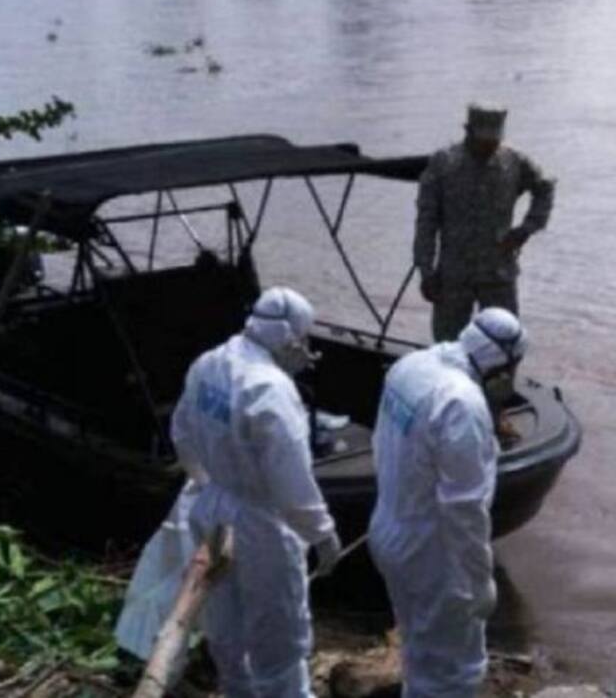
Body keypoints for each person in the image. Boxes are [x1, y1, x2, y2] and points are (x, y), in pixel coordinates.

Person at [171, 286, 342, 698]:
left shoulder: (209, 363)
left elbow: (182, 434)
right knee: (281, 639)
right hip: (262, 526)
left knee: (225, 628)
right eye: (304, 341)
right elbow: (293, 485)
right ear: (289, 338)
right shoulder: (272, 391)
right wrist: (323, 534)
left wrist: (206, 483)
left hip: (212, 508)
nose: (306, 351)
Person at [368, 307, 529, 698]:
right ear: (504, 367)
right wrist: (478, 581)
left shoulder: (411, 366)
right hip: (433, 556)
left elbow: (381, 445)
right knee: (456, 672)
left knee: (419, 649)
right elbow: (464, 510)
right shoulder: (462, 404)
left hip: (389, 530)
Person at [414, 104, 555, 343]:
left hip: (498, 273)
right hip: (453, 275)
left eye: (494, 141)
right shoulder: (444, 164)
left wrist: (527, 228)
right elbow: (426, 220)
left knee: (505, 343)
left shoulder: (513, 162)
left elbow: (545, 186)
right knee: (447, 344)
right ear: (468, 132)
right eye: (484, 141)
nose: (489, 147)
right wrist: (425, 270)